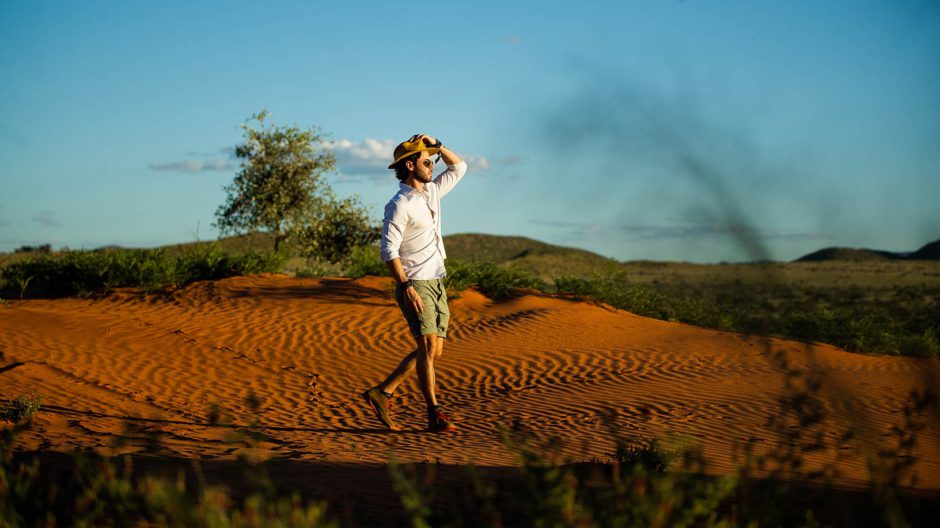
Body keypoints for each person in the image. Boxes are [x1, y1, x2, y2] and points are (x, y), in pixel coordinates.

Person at [362, 133, 467, 433]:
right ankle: (434, 413)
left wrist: (439, 145)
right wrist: (406, 286)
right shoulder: (398, 205)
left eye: (432, 160)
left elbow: (459, 168)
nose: (432, 164)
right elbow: (388, 250)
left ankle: (383, 393)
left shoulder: (431, 193)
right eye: (426, 160)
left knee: (434, 352)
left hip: (437, 280)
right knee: (427, 345)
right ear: (409, 165)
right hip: (415, 282)